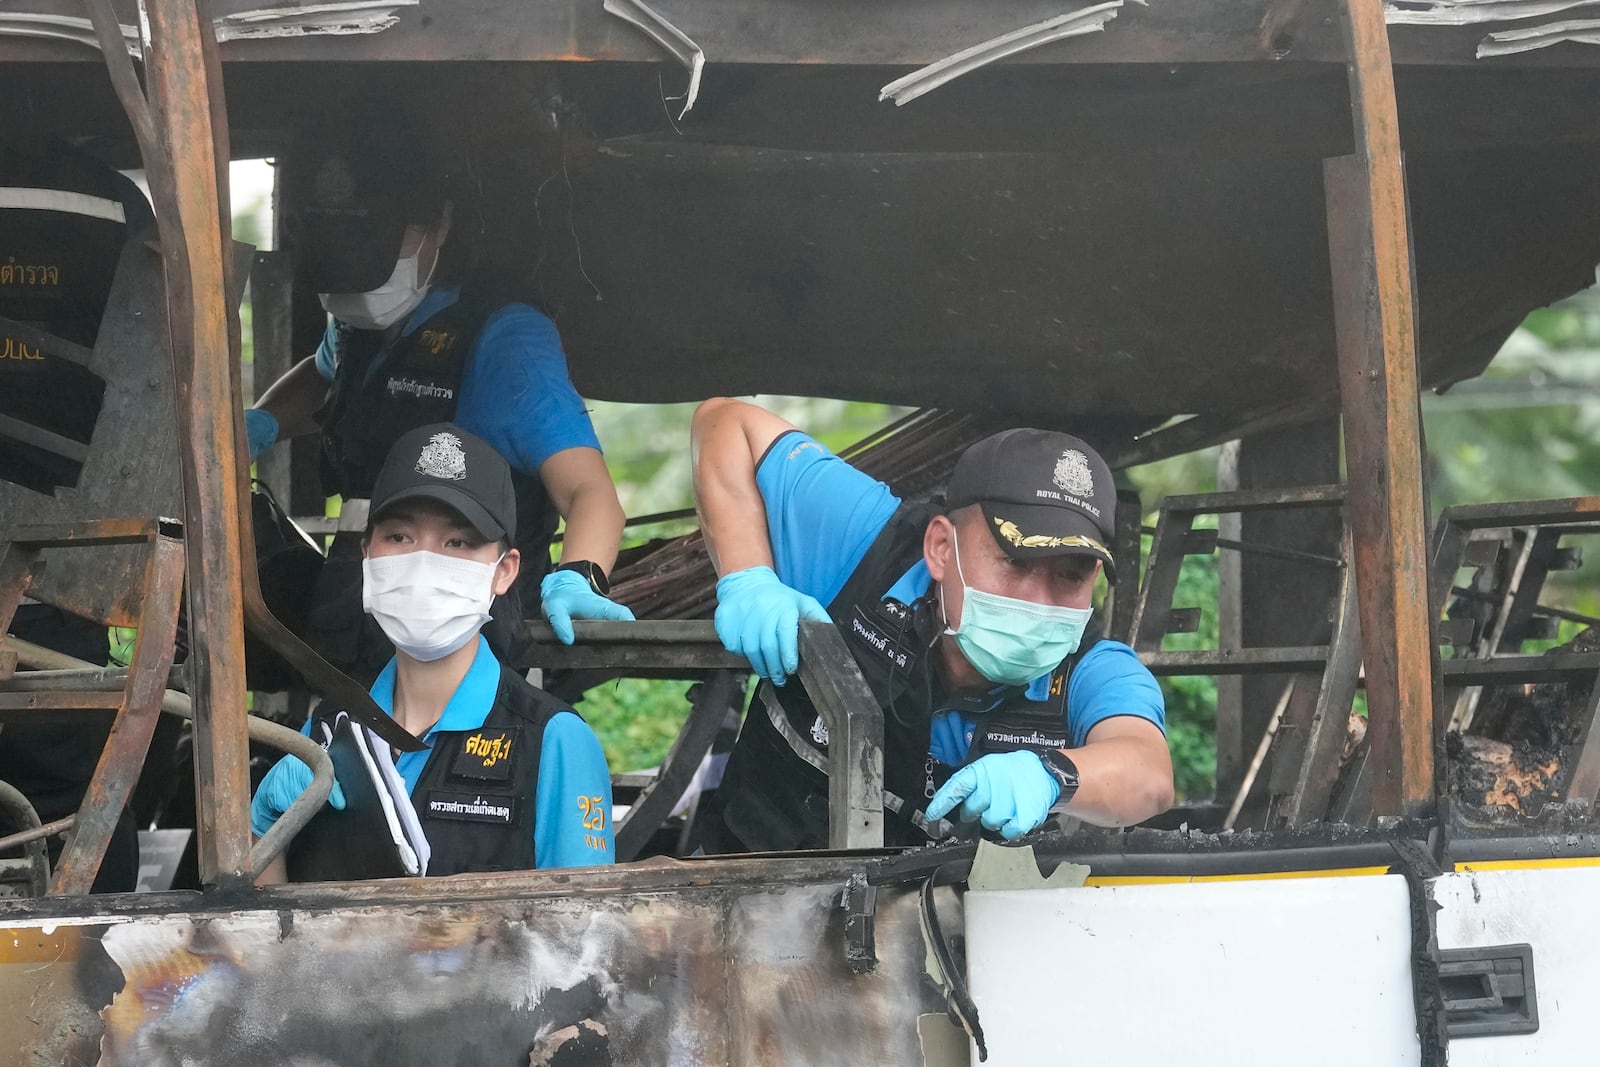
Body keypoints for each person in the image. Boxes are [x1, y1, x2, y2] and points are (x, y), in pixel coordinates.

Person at [689, 399, 1174, 852]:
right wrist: (747, 576)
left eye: (1069, 575)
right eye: (1015, 562)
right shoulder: (863, 541)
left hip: (955, 925)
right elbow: (724, 421)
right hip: (746, 886)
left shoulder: (1090, 668)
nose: (1037, 601)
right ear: (942, 548)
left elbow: (1148, 771)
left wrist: (1052, 774)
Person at [245, 113, 631, 678]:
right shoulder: (358, 320)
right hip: (357, 600)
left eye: (375, 261)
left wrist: (579, 576)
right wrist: (261, 424)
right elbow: (325, 374)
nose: (360, 290)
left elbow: (591, 493)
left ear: (437, 229)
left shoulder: (502, 338)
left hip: (467, 620)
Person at [250, 423, 614, 880]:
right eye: (399, 537)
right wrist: (261, 830)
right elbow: (264, 929)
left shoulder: (553, 740)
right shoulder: (330, 727)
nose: (422, 563)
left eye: (457, 542)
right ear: (367, 556)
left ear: (504, 572)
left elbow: (588, 933)